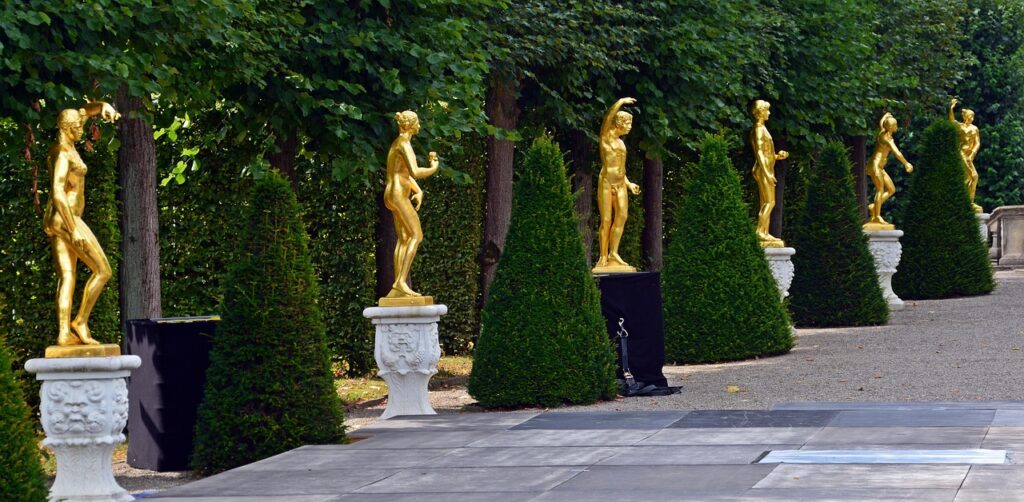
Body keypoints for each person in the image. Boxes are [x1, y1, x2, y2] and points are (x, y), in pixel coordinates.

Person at [43, 102, 120, 347]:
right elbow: (56, 191)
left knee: (67, 276)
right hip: (68, 220)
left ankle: (64, 332)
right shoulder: (63, 153)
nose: (82, 129)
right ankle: (81, 321)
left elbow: (87, 111)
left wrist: (104, 107)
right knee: (103, 270)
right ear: (66, 129)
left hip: (61, 220)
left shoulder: (69, 142)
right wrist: (73, 228)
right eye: (77, 127)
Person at [382, 110, 438, 302]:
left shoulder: (397, 143)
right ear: (411, 125)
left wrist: (417, 190)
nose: (419, 126)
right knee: (416, 235)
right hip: (398, 195)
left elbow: (401, 173)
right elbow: (414, 171)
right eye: (418, 122)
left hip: (392, 193)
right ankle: (401, 283)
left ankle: (398, 286)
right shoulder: (404, 144)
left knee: (404, 238)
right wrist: (433, 168)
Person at [594, 97, 641, 272]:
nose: (629, 127)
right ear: (618, 123)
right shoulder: (606, 136)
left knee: (622, 217)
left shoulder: (621, 143)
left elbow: (621, 168)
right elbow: (608, 117)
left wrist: (629, 184)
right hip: (606, 183)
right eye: (627, 124)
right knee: (606, 220)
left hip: (621, 184)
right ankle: (602, 257)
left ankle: (614, 253)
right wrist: (621, 102)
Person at [865, 113, 914, 229]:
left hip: (879, 167)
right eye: (895, 125)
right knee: (880, 189)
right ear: (891, 127)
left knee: (891, 189)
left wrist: (885, 116)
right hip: (875, 166)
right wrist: (906, 163)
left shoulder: (883, 131)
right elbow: (897, 152)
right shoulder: (886, 139)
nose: (897, 127)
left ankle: (873, 207)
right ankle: (876, 216)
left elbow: (881, 123)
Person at [750, 100, 788, 247]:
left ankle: (764, 232)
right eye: (767, 110)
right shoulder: (759, 129)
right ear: (761, 111)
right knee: (769, 202)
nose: (769, 113)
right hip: (763, 170)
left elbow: (766, 153)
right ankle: (760, 232)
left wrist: (778, 156)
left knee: (766, 202)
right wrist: (767, 173)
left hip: (766, 168)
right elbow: (759, 152)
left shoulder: (762, 128)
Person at [949, 98, 983, 213]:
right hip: (961, 154)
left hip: (969, 156)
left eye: (971, 116)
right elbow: (952, 121)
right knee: (971, 176)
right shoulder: (960, 127)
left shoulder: (975, 129)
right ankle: (965, 201)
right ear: (966, 117)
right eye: (969, 116)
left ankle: (968, 201)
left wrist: (973, 152)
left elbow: (977, 142)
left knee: (972, 177)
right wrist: (951, 109)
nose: (970, 118)